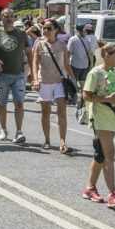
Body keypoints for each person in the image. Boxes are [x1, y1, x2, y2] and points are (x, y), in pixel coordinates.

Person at [81, 42, 115, 209]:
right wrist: (108, 99)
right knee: (109, 154)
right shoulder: (95, 73)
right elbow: (86, 95)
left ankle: (89, 188)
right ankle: (113, 194)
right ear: (106, 55)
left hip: (113, 117)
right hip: (100, 116)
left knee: (100, 154)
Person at [34, 19, 75, 154]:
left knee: (61, 113)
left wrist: (75, 81)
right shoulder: (39, 44)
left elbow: (67, 65)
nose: (45, 31)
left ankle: (63, 141)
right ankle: (47, 140)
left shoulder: (62, 45)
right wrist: (35, 79)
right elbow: (35, 63)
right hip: (44, 81)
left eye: (49, 28)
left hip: (59, 82)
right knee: (45, 112)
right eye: (44, 28)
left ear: (56, 30)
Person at [0, 8, 30, 144]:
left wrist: (31, 72)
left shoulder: (22, 34)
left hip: (18, 75)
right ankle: (3, 129)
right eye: (6, 16)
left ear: (14, 18)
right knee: (2, 104)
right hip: (2, 76)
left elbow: (29, 52)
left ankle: (19, 132)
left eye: (11, 16)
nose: (8, 18)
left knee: (19, 104)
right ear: (1, 18)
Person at [67, 22, 97, 87]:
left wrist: (91, 65)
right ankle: (77, 95)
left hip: (82, 65)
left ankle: (81, 95)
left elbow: (90, 53)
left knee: (80, 82)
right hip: (77, 66)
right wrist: (67, 64)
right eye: (84, 31)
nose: (86, 32)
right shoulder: (73, 40)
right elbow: (68, 53)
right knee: (77, 82)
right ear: (80, 31)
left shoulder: (85, 39)